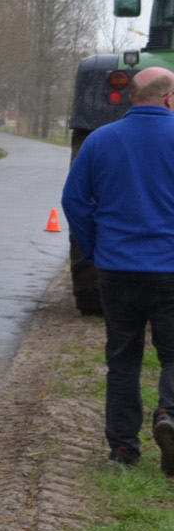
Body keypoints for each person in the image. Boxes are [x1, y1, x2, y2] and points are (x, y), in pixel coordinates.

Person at [61, 65, 174, 472]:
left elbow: (75, 201)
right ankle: (169, 416)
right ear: (169, 99)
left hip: (117, 269)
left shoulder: (100, 140)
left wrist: (95, 250)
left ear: (133, 97)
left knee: (123, 357)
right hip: (170, 270)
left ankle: (123, 450)